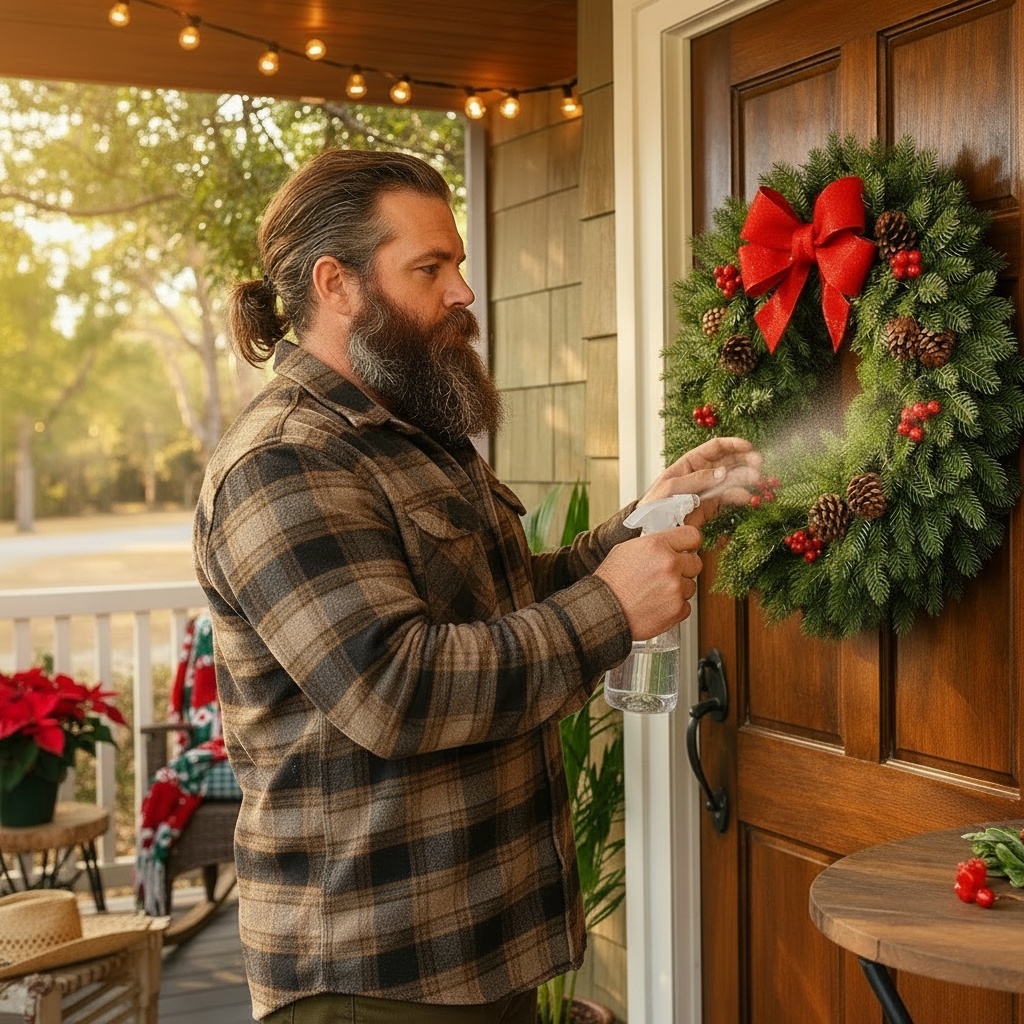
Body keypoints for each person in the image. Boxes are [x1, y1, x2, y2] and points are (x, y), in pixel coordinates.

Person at [192, 148, 759, 1024]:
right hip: (374, 977)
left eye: (457, 262)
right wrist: (613, 604)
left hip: (482, 955)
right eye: (431, 267)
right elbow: (396, 688)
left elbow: (499, 602)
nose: (463, 290)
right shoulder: (284, 462)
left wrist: (642, 523)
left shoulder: (413, 431)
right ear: (336, 284)